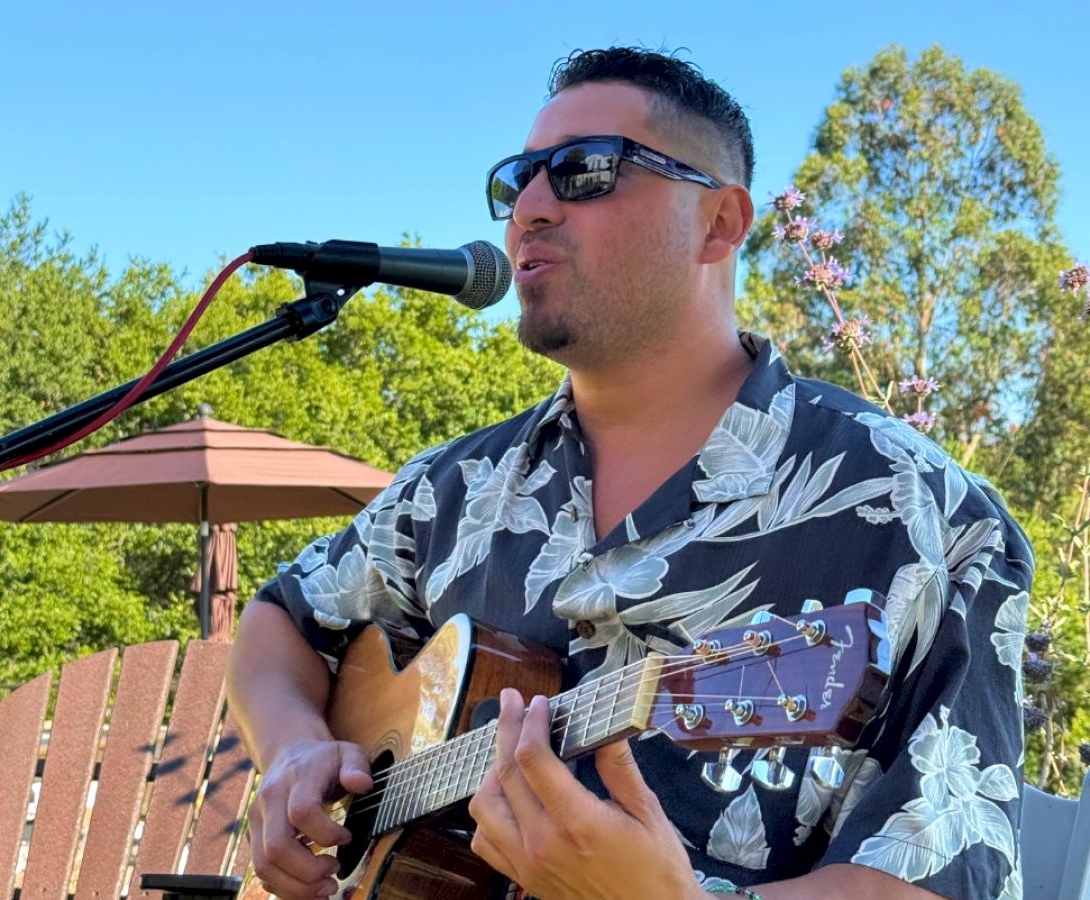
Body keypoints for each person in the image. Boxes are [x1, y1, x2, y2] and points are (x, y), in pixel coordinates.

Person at [227, 47, 1031, 900]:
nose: (530, 209)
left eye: (583, 171)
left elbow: (946, 880)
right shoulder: (452, 489)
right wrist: (294, 750)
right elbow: (283, 617)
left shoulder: (921, 514)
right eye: (516, 180)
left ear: (719, 223)